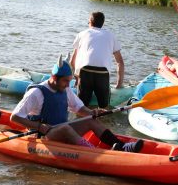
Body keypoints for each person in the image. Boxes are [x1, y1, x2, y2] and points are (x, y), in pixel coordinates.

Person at [10, 54, 143, 153]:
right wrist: (39, 126)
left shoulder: (65, 89)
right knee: (65, 128)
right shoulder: (36, 93)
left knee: (90, 119)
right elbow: (15, 117)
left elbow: (78, 108)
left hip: (61, 130)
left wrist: (93, 112)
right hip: (45, 135)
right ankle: (94, 153)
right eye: (65, 81)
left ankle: (121, 146)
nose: (68, 85)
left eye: (69, 81)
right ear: (54, 78)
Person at [70, 12, 124, 108]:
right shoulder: (111, 36)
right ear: (103, 23)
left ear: (90, 22)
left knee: (82, 108)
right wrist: (119, 85)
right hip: (102, 74)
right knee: (104, 108)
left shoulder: (82, 34)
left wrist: (77, 78)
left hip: (85, 72)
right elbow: (120, 62)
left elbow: (72, 61)